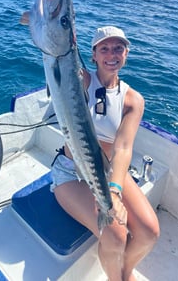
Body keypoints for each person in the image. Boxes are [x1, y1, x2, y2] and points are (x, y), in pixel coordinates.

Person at [51, 26, 160, 281]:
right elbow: (58, 61)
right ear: (93, 55)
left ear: (126, 54)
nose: (112, 54)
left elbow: (123, 147)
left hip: (108, 173)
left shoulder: (133, 100)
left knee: (149, 232)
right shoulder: (81, 81)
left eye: (118, 48)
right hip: (72, 173)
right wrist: (64, 40)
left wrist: (112, 191)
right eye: (105, 48)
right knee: (115, 234)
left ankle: (125, 272)